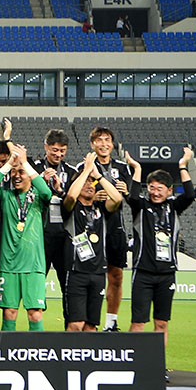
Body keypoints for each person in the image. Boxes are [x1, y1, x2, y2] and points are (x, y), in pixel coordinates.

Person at [124, 147, 195, 345]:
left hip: (167, 273)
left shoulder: (174, 207)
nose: (155, 193)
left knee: (162, 323)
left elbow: (190, 195)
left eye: (160, 189)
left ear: (169, 190)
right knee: (138, 322)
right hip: (143, 273)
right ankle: (135, 359)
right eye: (151, 188)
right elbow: (133, 196)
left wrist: (182, 165)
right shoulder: (141, 206)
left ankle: (159, 361)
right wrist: (137, 168)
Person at [0, 143, 51, 331]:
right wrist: (9, 165)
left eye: (21, 172)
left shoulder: (38, 198)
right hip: (9, 265)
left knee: (35, 313)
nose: (17, 175)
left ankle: (37, 349)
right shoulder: (6, 195)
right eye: (14, 172)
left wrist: (25, 163)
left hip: (33, 264)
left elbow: (47, 192)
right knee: (9, 312)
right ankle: (9, 349)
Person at [78, 127, 132, 332]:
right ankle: (85, 321)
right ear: (92, 144)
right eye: (99, 140)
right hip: (91, 228)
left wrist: (127, 193)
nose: (104, 144)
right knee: (89, 276)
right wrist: (93, 198)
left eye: (107, 140)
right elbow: (76, 195)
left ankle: (111, 322)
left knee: (116, 276)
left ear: (112, 144)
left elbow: (131, 198)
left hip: (115, 228)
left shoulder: (122, 167)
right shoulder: (84, 166)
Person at [61, 152, 123, 332]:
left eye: (92, 182)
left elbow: (117, 199)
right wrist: (86, 170)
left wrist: (97, 175)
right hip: (76, 272)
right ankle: (68, 352)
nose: (90, 185)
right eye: (86, 182)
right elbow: (71, 197)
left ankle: (87, 353)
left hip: (98, 273)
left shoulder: (101, 208)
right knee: (76, 324)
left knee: (91, 326)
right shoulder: (71, 208)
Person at [33, 129, 78, 310]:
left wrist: (60, 191)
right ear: (46, 147)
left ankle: (70, 322)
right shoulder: (34, 169)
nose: (58, 154)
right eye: (55, 150)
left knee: (67, 284)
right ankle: (36, 321)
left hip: (64, 236)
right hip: (40, 235)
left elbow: (74, 203)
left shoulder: (72, 172)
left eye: (62, 150)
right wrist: (41, 182)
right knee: (37, 283)